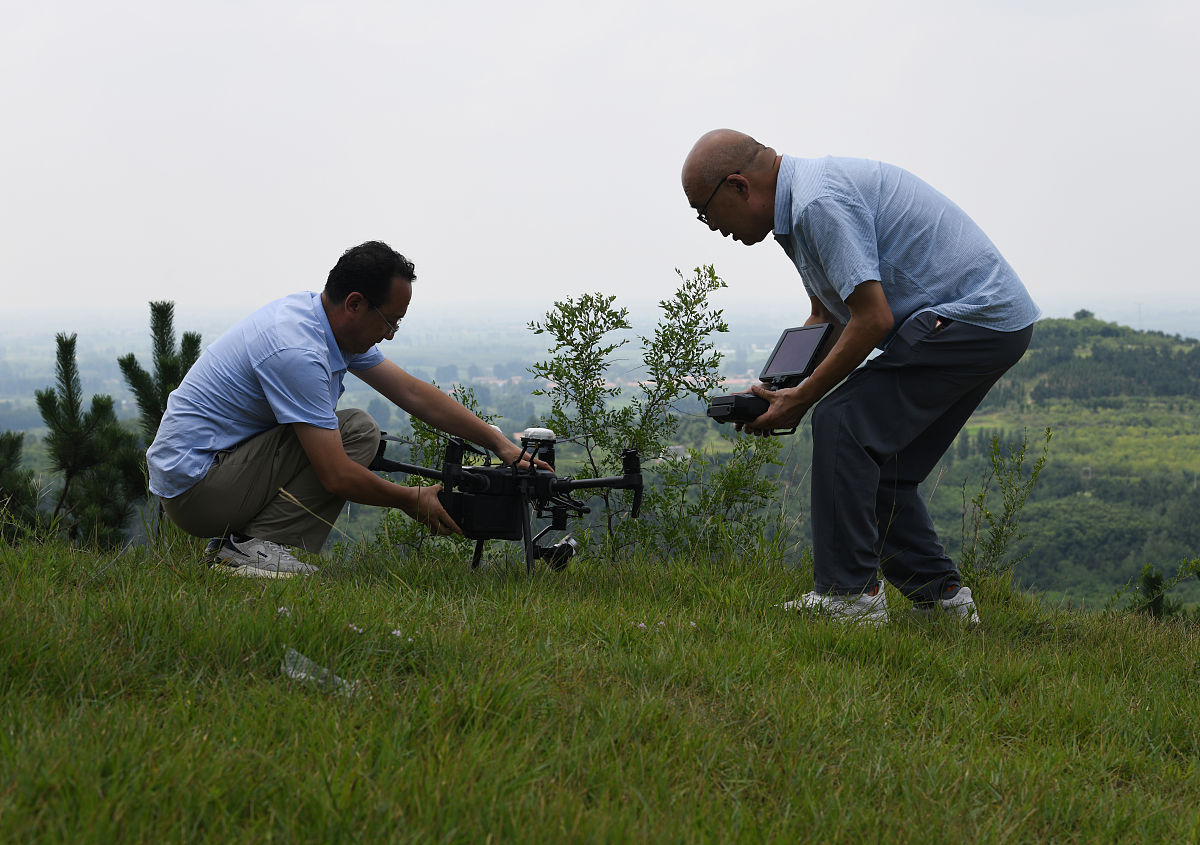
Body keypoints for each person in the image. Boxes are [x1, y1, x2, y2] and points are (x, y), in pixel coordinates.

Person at [681, 129, 1040, 624]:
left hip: (973, 317)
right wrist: (776, 387)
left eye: (705, 210)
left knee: (841, 421)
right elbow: (826, 316)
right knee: (884, 466)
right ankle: (942, 602)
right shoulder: (794, 211)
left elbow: (873, 320)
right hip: (992, 323)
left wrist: (803, 399)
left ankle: (850, 596)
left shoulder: (815, 204)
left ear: (739, 186)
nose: (710, 225)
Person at [147, 240, 541, 577]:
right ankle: (248, 550)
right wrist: (410, 498)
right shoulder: (297, 351)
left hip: (211, 473)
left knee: (356, 429)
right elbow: (335, 475)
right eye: (390, 321)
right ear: (355, 303)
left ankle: (242, 547)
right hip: (198, 490)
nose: (389, 334)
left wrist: (499, 444)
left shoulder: (317, 320)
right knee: (355, 431)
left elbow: (412, 393)